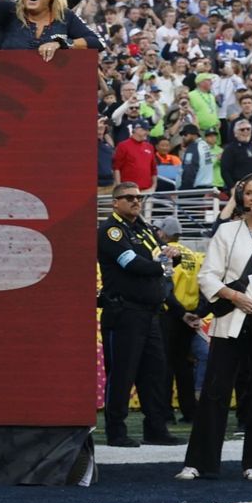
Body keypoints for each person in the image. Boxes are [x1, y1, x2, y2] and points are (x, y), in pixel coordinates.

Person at [179, 174, 252, 481]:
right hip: (230, 322)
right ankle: (199, 463)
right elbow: (207, 276)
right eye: (249, 192)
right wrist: (233, 296)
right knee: (215, 393)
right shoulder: (227, 232)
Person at [96, 181, 180, 447]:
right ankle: (116, 431)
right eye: (129, 197)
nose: (135, 201)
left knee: (154, 372)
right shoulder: (111, 230)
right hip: (124, 311)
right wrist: (163, 264)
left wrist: (170, 256)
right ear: (115, 202)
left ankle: (155, 428)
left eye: (139, 197)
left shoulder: (143, 227)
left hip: (149, 313)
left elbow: (161, 258)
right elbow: (132, 264)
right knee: (122, 373)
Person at [155, 216, 206, 426]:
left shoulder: (165, 254)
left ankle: (166, 413)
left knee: (165, 366)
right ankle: (190, 412)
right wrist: (197, 313)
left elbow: (165, 286)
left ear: (163, 233)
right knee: (184, 366)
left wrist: (177, 311)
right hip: (190, 314)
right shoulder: (193, 255)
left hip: (171, 314)